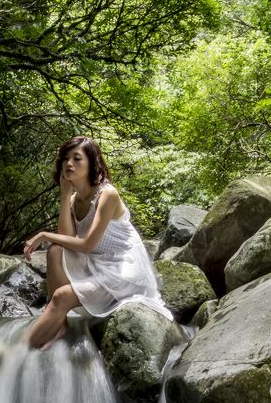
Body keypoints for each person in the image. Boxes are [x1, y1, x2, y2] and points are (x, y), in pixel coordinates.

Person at [23, 136, 172, 349]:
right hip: (95, 262)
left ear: (92, 163)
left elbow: (86, 245)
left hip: (121, 269)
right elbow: (66, 239)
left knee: (61, 296)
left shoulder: (107, 194)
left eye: (77, 159)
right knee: (55, 251)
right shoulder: (75, 199)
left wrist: (44, 235)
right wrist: (65, 196)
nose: (69, 164)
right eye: (65, 158)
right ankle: (60, 323)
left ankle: (14, 356)